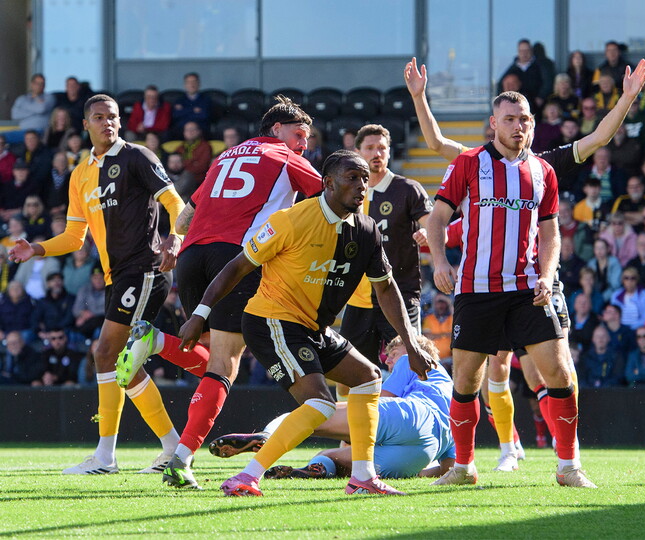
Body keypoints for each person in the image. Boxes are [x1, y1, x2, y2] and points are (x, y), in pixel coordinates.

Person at [178, 150, 434, 497]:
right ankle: (246, 476)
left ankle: (363, 478)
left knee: (368, 379)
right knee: (320, 404)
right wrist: (199, 315)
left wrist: (412, 343)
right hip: (271, 321)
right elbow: (236, 268)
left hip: (313, 327)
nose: (361, 186)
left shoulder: (366, 230)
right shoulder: (290, 220)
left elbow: (387, 289)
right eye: (351, 177)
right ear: (327, 183)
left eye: (364, 179)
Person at [117, 96, 326, 489]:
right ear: (276, 130)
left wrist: (174, 240)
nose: (304, 144)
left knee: (213, 351)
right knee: (226, 362)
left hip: (193, 256)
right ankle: (181, 458)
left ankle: (158, 341)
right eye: (299, 134)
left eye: (308, 139)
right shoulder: (285, 156)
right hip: (236, 259)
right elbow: (332, 199)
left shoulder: (226, 156)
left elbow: (188, 210)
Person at [8, 94, 188, 475]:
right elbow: (75, 238)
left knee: (105, 353)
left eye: (113, 117)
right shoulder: (80, 174)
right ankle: (172, 446)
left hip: (146, 269)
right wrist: (36, 248)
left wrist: (175, 237)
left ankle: (106, 456)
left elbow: (177, 204)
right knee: (125, 364)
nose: (108, 123)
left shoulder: (138, 157)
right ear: (86, 125)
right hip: (116, 276)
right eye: (99, 117)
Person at [424, 89, 594, 488]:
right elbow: (437, 220)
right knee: (466, 382)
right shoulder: (469, 162)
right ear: (493, 124)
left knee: (560, 374)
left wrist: (548, 275)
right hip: (477, 290)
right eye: (511, 119)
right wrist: (439, 262)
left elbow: (550, 234)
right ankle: (464, 468)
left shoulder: (543, 172)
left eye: (525, 119)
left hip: (528, 290)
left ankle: (568, 467)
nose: (519, 126)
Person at [209, 335, 454, 480]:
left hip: (410, 417)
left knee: (311, 413)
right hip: (419, 455)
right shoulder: (448, 391)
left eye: (392, 352)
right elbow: (449, 468)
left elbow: (376, 405)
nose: (388, 359)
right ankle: (311, 471)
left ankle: (268, 435)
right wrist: (420, 472)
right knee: (328, 458)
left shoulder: (412, 358)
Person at [340, 124, 431, 373]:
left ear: (390, 152)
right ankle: (352, 414)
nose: (376, 153)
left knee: (409, 368)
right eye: (369, 148)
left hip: (400, 295)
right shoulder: (345, 193)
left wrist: (428, 233)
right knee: (350, 374)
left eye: (382, 148)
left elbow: (433, 226)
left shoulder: (407, 189)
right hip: (358, 300)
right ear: (357, 151)